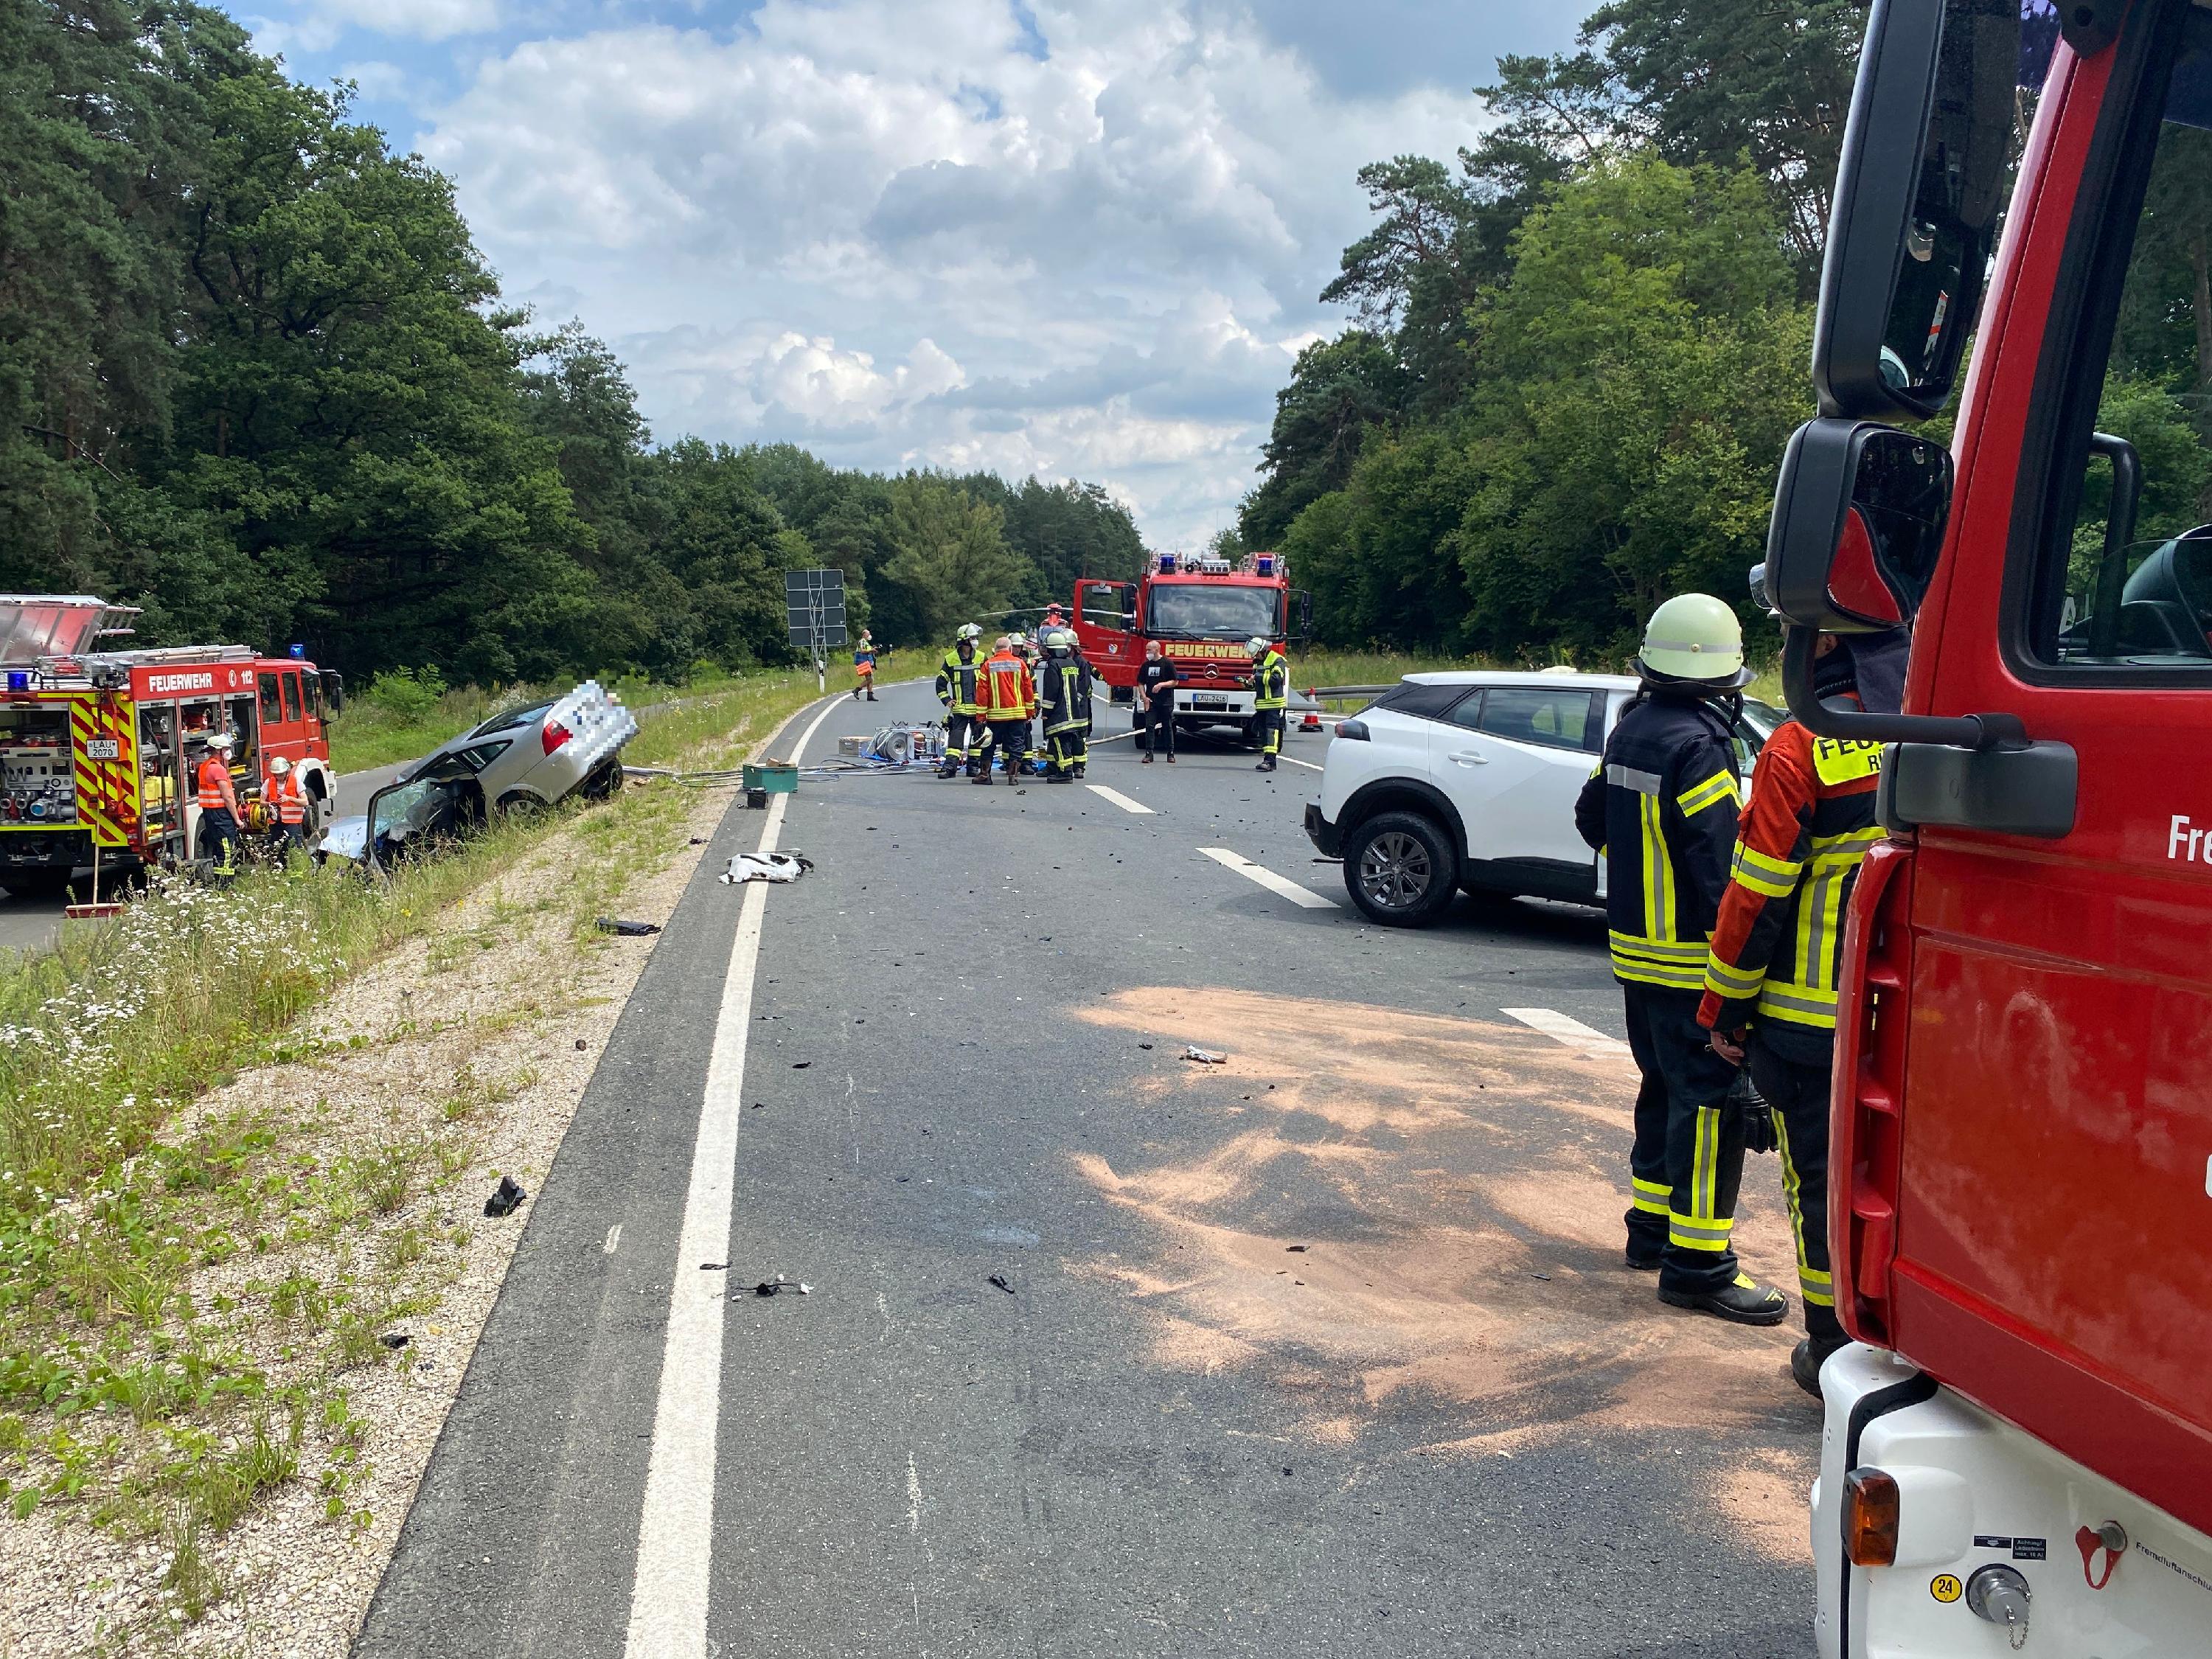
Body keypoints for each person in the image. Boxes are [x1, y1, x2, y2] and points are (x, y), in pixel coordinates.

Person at [1700, 573, 1906, 1394]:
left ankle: (1830, 1347)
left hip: (1813, 1026)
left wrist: (1724, 1010)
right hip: (1927, 1022)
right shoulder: (1939, 735)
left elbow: (1755, 902)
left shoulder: (1800, 749)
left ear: (1822, 641)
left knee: (1822, 1188)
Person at [1573, 593, 1787, 1326]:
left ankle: (1649, 1232)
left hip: (1636, 957)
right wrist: (1740, 974)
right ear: (1721, 680)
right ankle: (1698, 1266)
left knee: (1662, 1090)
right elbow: (1716, 875)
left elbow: (1590, 818)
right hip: (1690, 964)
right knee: (1708, 1111)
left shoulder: (1634, 730)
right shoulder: (1700, 748)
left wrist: (1638, 876)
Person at [973, 634, 1034, 785]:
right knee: (1016, 746)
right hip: (1018, 715)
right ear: (1010, 648)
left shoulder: (987, 665)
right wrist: (1030, 712)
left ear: (995, 650)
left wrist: (981, 716)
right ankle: (1013, 777)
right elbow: (1028, 690)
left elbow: (982, 693)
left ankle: (985, 775)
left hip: (995, 716)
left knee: (989, 745)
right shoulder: (1020, 664)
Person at [1037, 629, 1093, 783]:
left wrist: (1046, 711)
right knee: (1064, 742)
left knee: (1060, 743)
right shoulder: (1071, 662)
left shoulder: (1053, 664)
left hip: (1059, 713)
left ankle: (1065, 773)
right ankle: (1057, 768)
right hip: (1073, 712)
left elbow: (1051, 690)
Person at [935, 625, 987, 779]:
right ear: (964, 641)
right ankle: (950, 768)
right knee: (955, 740)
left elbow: (989, 682)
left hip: (978, 708)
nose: (975, 641)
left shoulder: (982, 657)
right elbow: (941, 683)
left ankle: (973, 768)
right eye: (972, 638)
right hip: (960, 709)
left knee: (977, 739)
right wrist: (947, 700)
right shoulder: (951, 659)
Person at [195, 731, 242, 878]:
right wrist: (237, 819)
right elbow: (227, 797)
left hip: (210, 814)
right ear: (218, 750)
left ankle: (220, 880)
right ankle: (226, 884)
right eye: (226, 749)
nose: (228, 751)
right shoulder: (218, 769)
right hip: (221, 814)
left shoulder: (205, 766)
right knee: (227, 850)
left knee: (218, 848)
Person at [1246, 635, 1289, 772]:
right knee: (1263, 732)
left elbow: (1276, 680)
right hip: (1262, 704)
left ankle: (1270, 761)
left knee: (1271, 731)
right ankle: (1267, 759)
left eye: (1257, 654)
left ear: (1263, 650)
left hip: (1273, 703)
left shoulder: (1277, 660)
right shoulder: (1257, 661)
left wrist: (1257, 677)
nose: (1256, 656)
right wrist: (1248, 683)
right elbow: (1258, 684)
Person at [1136, 639, 1179, 763]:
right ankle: (1149, 754)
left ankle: (1170, 753)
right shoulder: (1146, 665)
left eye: (1149, 650)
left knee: (1167, 727)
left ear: (1156, 650)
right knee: (1149, 727)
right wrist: (1144, 697)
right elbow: (1140, 682)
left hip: (1166, 702)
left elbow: (1175, 682)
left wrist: (1161, 685)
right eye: (1147, 650)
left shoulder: (1167, 663)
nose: (1147, 652)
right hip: (1151, 701)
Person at [266, 754, 309, 852]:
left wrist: (290, 798)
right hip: (275, 823)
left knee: (294, 848)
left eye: (281, 774)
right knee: (277, 849)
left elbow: (305, 802)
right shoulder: (269, 782)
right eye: (276, 775)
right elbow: (262, 802)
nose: (279, 777)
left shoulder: (295, 781)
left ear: (286, 772)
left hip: (292, 823)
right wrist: (270, 804)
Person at [851, 629, 878, 701]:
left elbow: (867, 651)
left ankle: (870, 695)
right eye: (868, 634)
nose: (869, 636)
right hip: (863, 662)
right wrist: (871, 651)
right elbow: (863, 651)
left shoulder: (866, 642)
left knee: (870, 678)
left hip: (866, 661)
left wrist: (873, 650)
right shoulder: (862, 641)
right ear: (864, 635)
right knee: (870, 679)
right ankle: (857, 690)